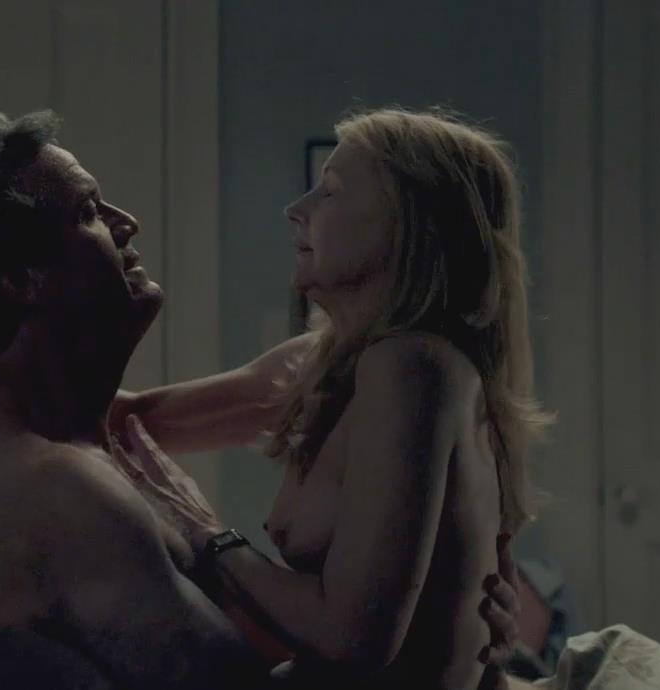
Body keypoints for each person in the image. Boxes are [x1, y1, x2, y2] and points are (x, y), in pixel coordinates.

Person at [0, 108, 519, 689]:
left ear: (412, 226)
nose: (128, 223)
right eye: (88, 213)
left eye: (333, 190)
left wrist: (455, 620)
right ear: (19, 278)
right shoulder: (57, 484)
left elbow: (124, 419)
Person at [108, 107, 550, 689]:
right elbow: (135, 422)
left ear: (411, 226)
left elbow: (352, 640)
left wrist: (207, 535)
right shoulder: (326, 359)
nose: (296, 209)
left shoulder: (415, 367)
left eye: (332, 190)